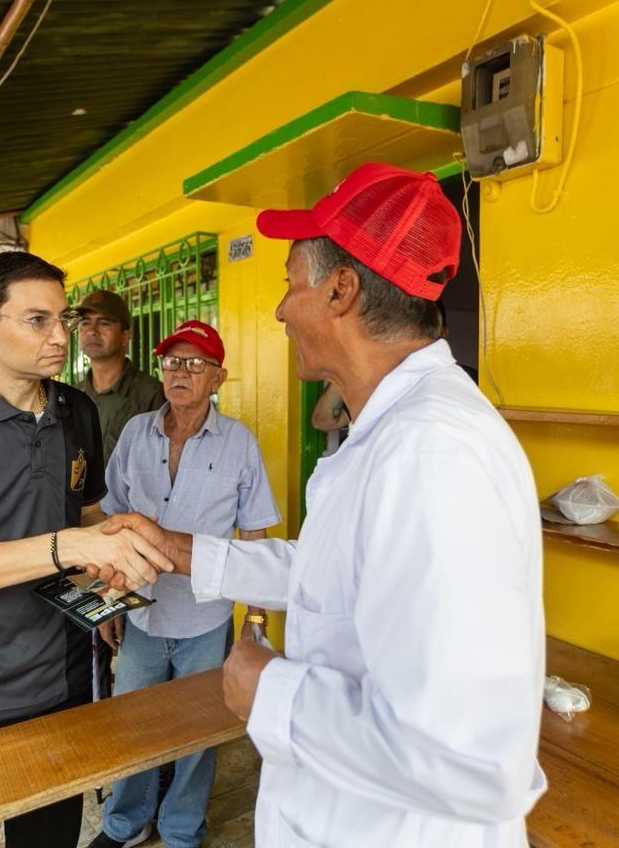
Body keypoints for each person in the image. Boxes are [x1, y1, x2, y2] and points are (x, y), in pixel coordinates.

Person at [103, 163, 546, 846]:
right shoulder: (392, 436)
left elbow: (473, 762)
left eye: (288, 284)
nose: (280, 309)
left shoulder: (433, 455)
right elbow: (331, 574)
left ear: (341, 290)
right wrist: (178, 549)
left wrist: (270, 691)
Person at [0, 251, 171, 848]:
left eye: (63, 318)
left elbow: (88, 513)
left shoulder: (76, 410)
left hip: (59, 680)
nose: (60, 336)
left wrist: (112, 555)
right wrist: (66, 543)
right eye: (37, 320)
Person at [92, 321, 279, 848]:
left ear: (218, 377)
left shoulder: (240, 442)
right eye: (173, 362)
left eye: (196, 364)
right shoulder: (134, 433)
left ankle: (181, 829)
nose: (181, 373)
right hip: (142, 611)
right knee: (132, 722)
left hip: (206, 618)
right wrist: (108, 605)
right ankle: (125, 822)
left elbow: (255, 537)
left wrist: (255, 618)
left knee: (198, 734)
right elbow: (112, 519)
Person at [75, 290, 165, 460]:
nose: (92, 331)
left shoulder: (150, 394)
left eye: (104, 323)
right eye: (85, 323)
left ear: (125, 336)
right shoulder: (75, 395)